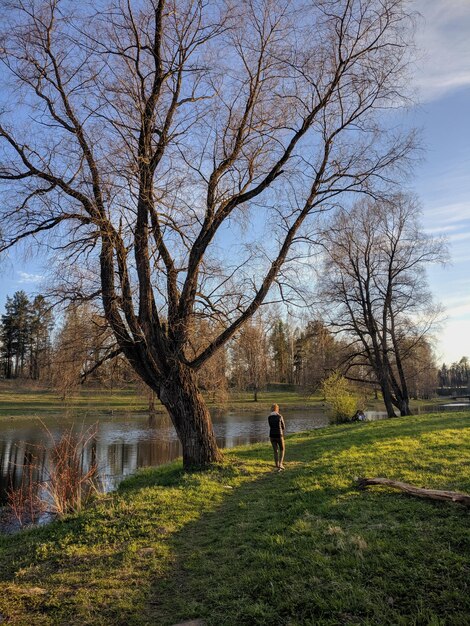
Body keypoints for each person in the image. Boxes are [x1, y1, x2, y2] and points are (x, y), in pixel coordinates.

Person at [268, 403, 286, 471]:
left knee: (275, 451)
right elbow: (283, 427)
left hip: (272, 435)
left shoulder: (269, 417)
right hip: (279, 435)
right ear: (277, 409)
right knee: (282, 449)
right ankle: (281, 464)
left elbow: (270, 426)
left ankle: (277, 466)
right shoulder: (280, 416)